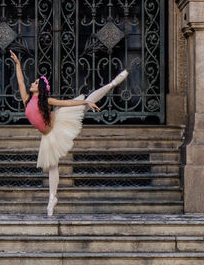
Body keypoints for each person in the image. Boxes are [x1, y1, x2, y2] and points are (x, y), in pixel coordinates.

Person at [9, 49, 128, 216]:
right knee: (53, 165)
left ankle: (112, 84)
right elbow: (20, 81)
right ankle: (52, 198)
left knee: (84, 104)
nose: (32, 83)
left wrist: (84, 102)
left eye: (35, 83)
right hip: (47, 136)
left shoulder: (47, 101)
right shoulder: (26, 100)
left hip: (58, 124)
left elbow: (67, 103)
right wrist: (17, 64)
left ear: (39, 88)